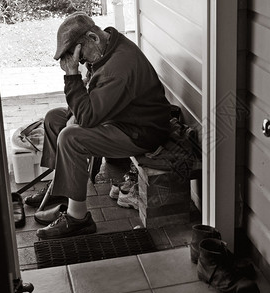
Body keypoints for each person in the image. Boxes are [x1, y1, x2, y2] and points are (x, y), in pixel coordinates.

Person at [32, 12, 171, 239]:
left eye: (80, 55)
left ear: (92, 38)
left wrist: (71, 75)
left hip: (140, 131)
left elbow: (88, 117)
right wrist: (73, 112)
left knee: (70, 137)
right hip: (119, 116)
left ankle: (78, 219)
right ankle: (61, 191)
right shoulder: (106, 44)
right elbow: (90, 93)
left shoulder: (118, 68)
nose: (81, 62)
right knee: (53, 118)